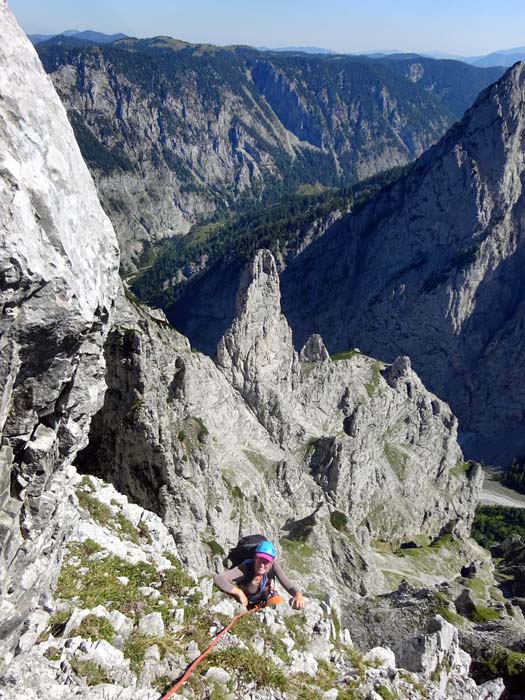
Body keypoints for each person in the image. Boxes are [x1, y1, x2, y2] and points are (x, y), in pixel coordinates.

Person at [213, 540, 305, 610]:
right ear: (255, 558)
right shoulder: (245, 567)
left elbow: (287, 584)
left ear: (271, 562)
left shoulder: (273, 565)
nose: (262, 565)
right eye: (260, 559)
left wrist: (298, 594)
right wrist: (238, 592)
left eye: (266, 561)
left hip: (265, 598)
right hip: (245, 602)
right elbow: (218, 578)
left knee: (279, 605)